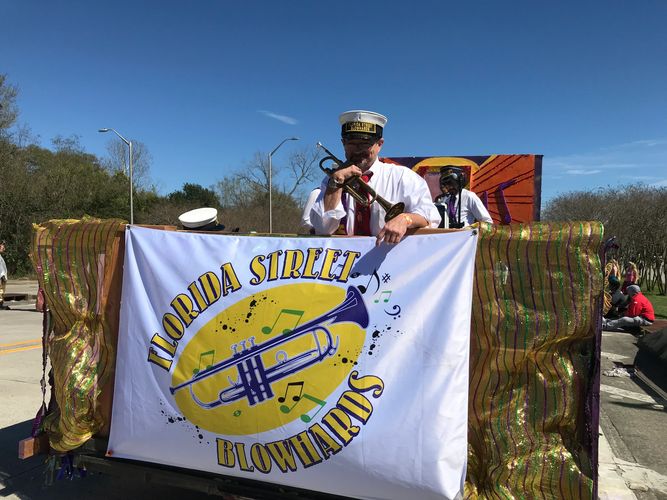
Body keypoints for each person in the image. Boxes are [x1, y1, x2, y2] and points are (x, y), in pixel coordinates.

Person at [309, 110, 441, 244]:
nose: (357, 149)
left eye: (365, 143)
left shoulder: (403, 176)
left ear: (380, 144)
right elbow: (322, 229)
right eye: (351, 143)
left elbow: (430, 216)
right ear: (343, 143)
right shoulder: (332, 180)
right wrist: (335, 184)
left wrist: (405, 219)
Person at [0, 241, 7, 310]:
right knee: (1, 290)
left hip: (1, 276)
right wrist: (2, 276)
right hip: (1, 277)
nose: (4, 249)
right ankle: (0, 305)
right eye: (3, 247)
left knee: (2, 290)